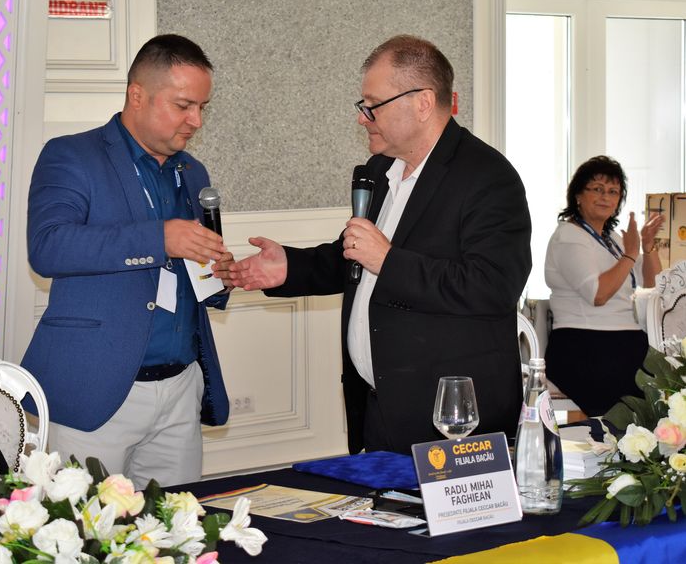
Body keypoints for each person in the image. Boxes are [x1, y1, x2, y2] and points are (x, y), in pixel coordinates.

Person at [223, 35, 531, 455]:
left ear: (423, 102)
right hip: (378, 406)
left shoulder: (488, 177)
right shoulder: (382, 168)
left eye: (373, 105)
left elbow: (492, 287)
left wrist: (388, 260)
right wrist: (289, 268)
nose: (362, 117)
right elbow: (355, 255)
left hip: (449, 419)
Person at [22, 34, 234, 488]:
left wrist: (220, 273)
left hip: (180, 389)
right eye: (183, 105)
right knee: (83, 529)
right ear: (137, 95)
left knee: (174, 527)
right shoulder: (70, 155)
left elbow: (187, 265)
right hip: (95, 387)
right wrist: (160, 238)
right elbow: (48, 246)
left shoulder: (193, 172)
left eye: (202, 107)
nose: (196, 120)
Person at [544, 156, 663, 416]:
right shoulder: (569, 236)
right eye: (597, 189)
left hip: (627, 342)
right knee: (640, 412)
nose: (605, 197)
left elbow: (652, 286)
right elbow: (598, 295)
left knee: (667, 391)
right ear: (578, 195)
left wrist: (647, 246)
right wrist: (630, 254)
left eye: (613, 192)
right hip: (584, 344)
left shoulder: (614, 239)